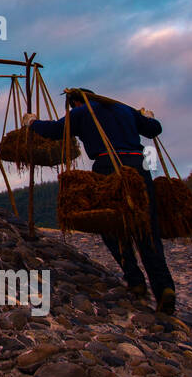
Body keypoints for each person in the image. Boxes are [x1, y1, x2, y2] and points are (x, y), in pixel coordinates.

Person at [25, 89, 176, 314]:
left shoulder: (81, 112)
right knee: (146, 224)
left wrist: (33, 123)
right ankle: (163, 287)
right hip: (139, 168)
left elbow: (57, 131)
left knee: (110, 222)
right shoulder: (124, 109)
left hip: (107, 167)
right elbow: (154, 130)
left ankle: (134, 280)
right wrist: (148, 117)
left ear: (75, 102)